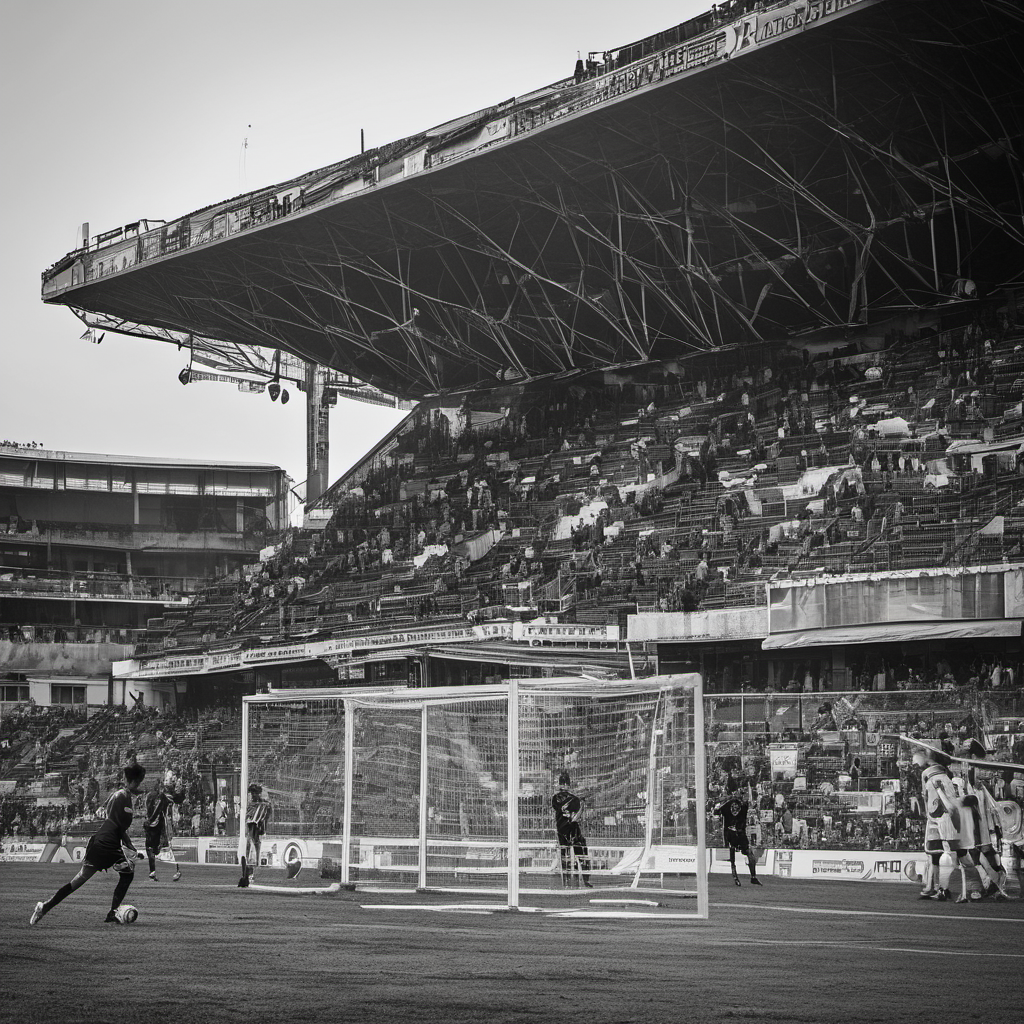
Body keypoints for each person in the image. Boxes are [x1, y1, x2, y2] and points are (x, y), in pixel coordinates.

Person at [30, 762, 146, 925]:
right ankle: (113, 913)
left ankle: (45, 907)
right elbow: (118, 827)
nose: (137, 785)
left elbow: (119, 827)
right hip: (107, 842)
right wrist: (131, 851)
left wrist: (132, 849)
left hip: (102, 841)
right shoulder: (121, 796)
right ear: (131, 780)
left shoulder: (123, 796)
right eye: (137, 782)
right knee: (127, 873)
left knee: (78, 880)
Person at [713, 790, 762, 886]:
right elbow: (716, 812)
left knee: (747, 853)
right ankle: (739, 877)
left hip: (738, 833)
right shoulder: (735, 805)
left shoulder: (736, 805)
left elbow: (716, 812)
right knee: (735, 855)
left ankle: (750, 877)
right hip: (732, 833)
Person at [552, 772, 592, 888]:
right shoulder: (574, 799)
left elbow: (558, 809)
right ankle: (586, 880)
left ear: (560, 784)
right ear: (568, 784)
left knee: (565, 856)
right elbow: (575, 818)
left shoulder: (555, 799)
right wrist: (582, 806)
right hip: (573, 830)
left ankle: (566, 882)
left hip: (561, 830)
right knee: (582, 854)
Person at [144, 779, 181, 883]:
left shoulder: (161, 798)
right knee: (155, 848)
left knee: (160, 848)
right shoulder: (163, 797)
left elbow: (158, 810)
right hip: (160, 825)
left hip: (161, 825)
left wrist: (149, 821)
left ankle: (157, 872)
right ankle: (154, 872)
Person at [238, 783, 271, 887]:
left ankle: (254, 864)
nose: (252, 794)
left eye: (254, 792)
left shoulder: (263, 804)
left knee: (255, 845)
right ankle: (249, 871)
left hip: (258, 828)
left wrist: (263, 824)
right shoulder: (250, 804)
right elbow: (248, 817)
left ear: (258, 793)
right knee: (251, 845)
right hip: (251, 828)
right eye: (252, 792)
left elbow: (266, 814)